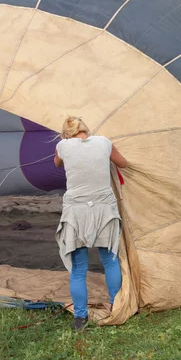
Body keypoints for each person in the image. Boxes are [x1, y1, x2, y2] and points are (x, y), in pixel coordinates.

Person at [53, 116, 128, 331]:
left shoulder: (62, 146)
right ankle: (116, 307)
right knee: (110, 261)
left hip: (76, 213)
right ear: (86, 129)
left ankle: (80, 318)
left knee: (78, 270)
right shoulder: (104, 142)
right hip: (104, 209)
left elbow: (57, 163)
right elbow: (123, 163)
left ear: (66, 134)